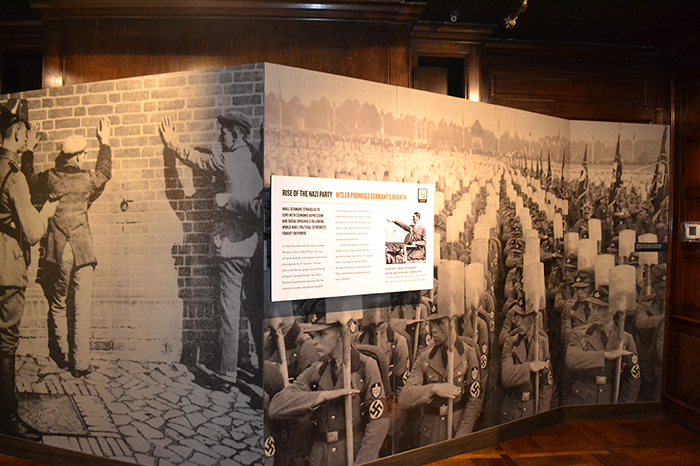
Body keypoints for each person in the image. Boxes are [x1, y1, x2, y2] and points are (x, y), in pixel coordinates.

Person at [159, 112, 263, 389]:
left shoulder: (225, 160)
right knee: (256, 313)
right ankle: (262, 370)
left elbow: (196, 160)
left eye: (223, 132)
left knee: (229, 313)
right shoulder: (256, 160)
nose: (219, 137)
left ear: (235, 135)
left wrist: (171, 144)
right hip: (253, 250)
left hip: (230, 251)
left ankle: (226, 374)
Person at [26, 118, 112, 377]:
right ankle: (81, 363)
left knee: (58, 302)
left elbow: (28, 181)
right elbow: (104, 173)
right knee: (81, 306)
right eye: (84, 154)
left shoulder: (50, 178)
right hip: (83, 250)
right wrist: (105, 143)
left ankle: (62, 356)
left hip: (58, 250)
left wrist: (28, 151)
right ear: (77, 156)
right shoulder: (86, 179)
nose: (85, 158)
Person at [268, 312, 389, 466]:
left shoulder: (365, 367)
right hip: (320, 458)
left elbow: (379, 422)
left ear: (340, 334)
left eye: (322, 334)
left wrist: (363, 462)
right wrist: (322, 396)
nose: (314, 341)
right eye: (313, 336)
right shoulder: (316, 371)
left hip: (353, 455)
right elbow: (276, 407)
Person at [0, 110, 56, 440]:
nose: (27, 139)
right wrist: (45, 212)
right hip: (6, 267)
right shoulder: (14, 176)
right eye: (25, 133)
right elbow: (33, 232)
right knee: (6, 344)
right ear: (18, 133)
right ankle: (8, 420)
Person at [398, 310, 482, 447]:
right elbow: (404, 398)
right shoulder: (425, 358)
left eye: (439, 323)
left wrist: (461, 436)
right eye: (432, 324)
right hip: (430, 433)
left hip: (457, 429)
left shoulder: (468, 354)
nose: (433, 330)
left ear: (453, 322)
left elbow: (474, 400)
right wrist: (434, 388)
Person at [565, 287, 641, 405]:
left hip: (611, 399)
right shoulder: (580, 335)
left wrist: (623, 406)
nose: (595, 313)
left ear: (613, 311)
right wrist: (605, 355)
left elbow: (632, 380)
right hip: (583, 399)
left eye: (601, 309)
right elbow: (571, 360)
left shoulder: (625, 339)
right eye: (593, 307)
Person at [500, 303, 553, 422]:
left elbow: (546, 385)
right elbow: (506, 377)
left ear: (533, 318)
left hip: (532, 407)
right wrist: (529, 367)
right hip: (513, 408)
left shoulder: (542, 343)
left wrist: (541, 416)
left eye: (523, 317)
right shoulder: (510, 343)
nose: (518, 322)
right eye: (516, 316)